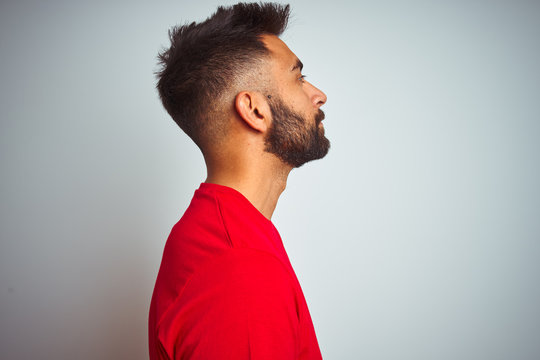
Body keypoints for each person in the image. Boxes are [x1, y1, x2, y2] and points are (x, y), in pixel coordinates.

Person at [148, 3, 330, 359]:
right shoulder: (240, 272)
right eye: (298, 77)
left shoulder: (219, 232)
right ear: (255, 110)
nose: (318, 95)